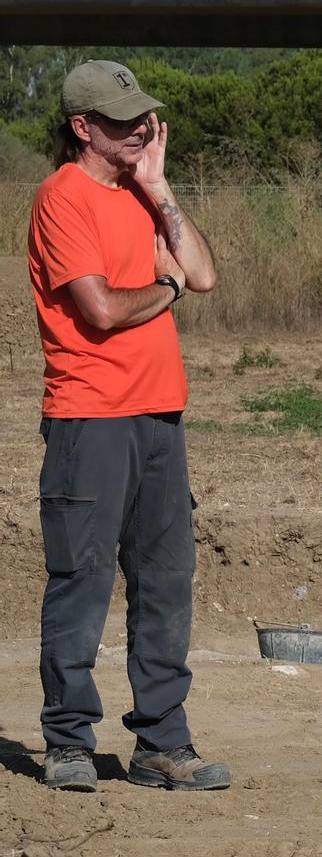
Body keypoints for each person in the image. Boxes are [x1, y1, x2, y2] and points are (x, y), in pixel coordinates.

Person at [28, 59, 229, 791]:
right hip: (89, 417)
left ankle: (162, 744)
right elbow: (103, 310)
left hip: (158, 418)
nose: (141, 128)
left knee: (166, 581)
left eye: (145, 117)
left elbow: (202, 275)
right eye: (122, 121)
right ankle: (68, 741)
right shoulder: (62, 198)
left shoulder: (141, 200)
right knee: (81, 581)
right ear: (83, 128)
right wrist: (167, 284)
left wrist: (159, 186)